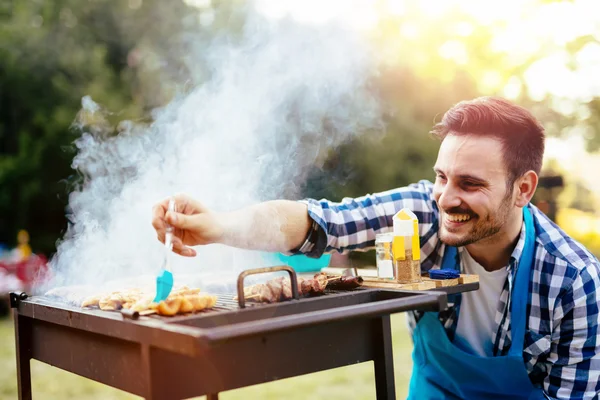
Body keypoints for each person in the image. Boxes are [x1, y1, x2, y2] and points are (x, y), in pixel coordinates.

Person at [151, 97, 600, 399]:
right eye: (442, 177)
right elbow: (322, 221)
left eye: (470, 184)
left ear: (523, 189)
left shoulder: (572, 281)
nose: (445, 199)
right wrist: (216, 226)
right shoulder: (419, 215)